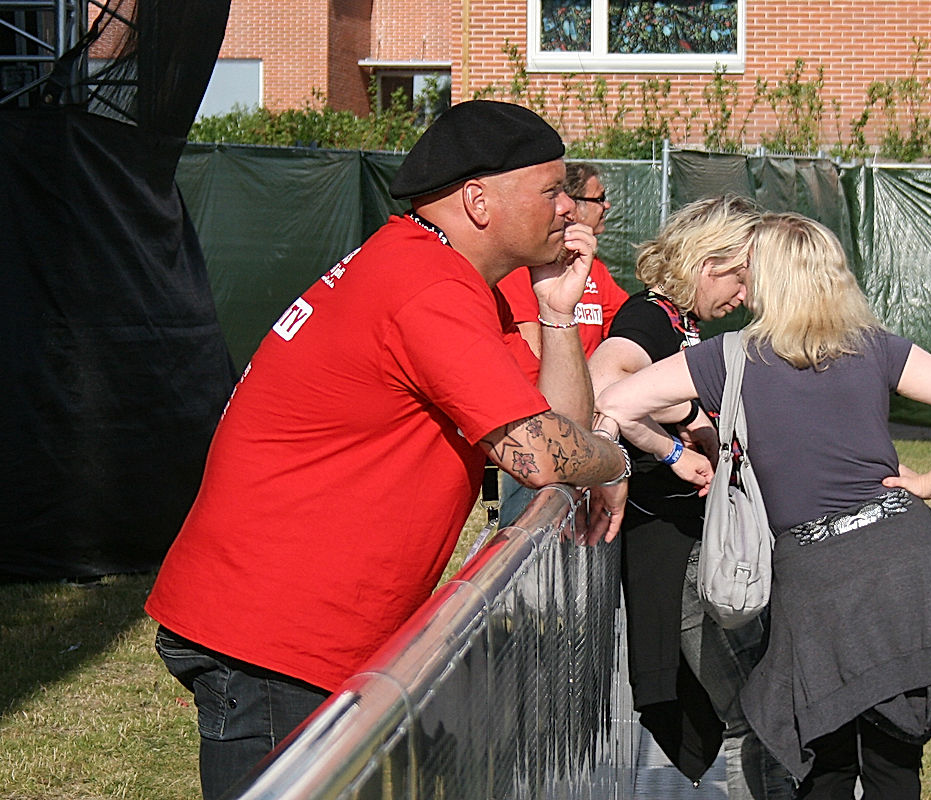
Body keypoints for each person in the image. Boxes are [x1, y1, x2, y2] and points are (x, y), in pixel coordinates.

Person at [144, 100, 631, 800]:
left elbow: (557, 424)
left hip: (293, 628)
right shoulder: (425, 283)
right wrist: (614, 461)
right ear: (478, 201)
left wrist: (556, 313)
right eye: (552, 191)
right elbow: (543, 455)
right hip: (273, 635)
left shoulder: (446, 277)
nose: (571, 211)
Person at [595, 212, 931, 799]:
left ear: (770, 278)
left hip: (817, 578)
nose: (744, 288)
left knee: (824, 759)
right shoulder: (876, 346)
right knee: (893, 761)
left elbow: (615, 400)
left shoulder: (730, 357)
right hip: (908, 561)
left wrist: (673, 445)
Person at [588, 195, 794, 800]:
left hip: (692, 543)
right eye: (740, 279)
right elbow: (606, 381)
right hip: (671, 551)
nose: (745, 297)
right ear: (708, 262)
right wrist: (674, 446)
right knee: (751, 712)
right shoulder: (649, 316)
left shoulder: (682, 323)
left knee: (755, 705)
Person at [495, 162, 629, 528]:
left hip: (581, 426)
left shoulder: (593, 270)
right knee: (529, 524)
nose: (607, 206)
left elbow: (627, 329)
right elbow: (534, 360)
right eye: (600, 198)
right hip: (541, 426)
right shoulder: (527, 270)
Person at [496, 161, 629, 359]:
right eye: (599, 199)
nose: (607, 205)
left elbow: (626, 323)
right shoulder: (525, 265)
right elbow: (531, 357)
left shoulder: (593, 265)